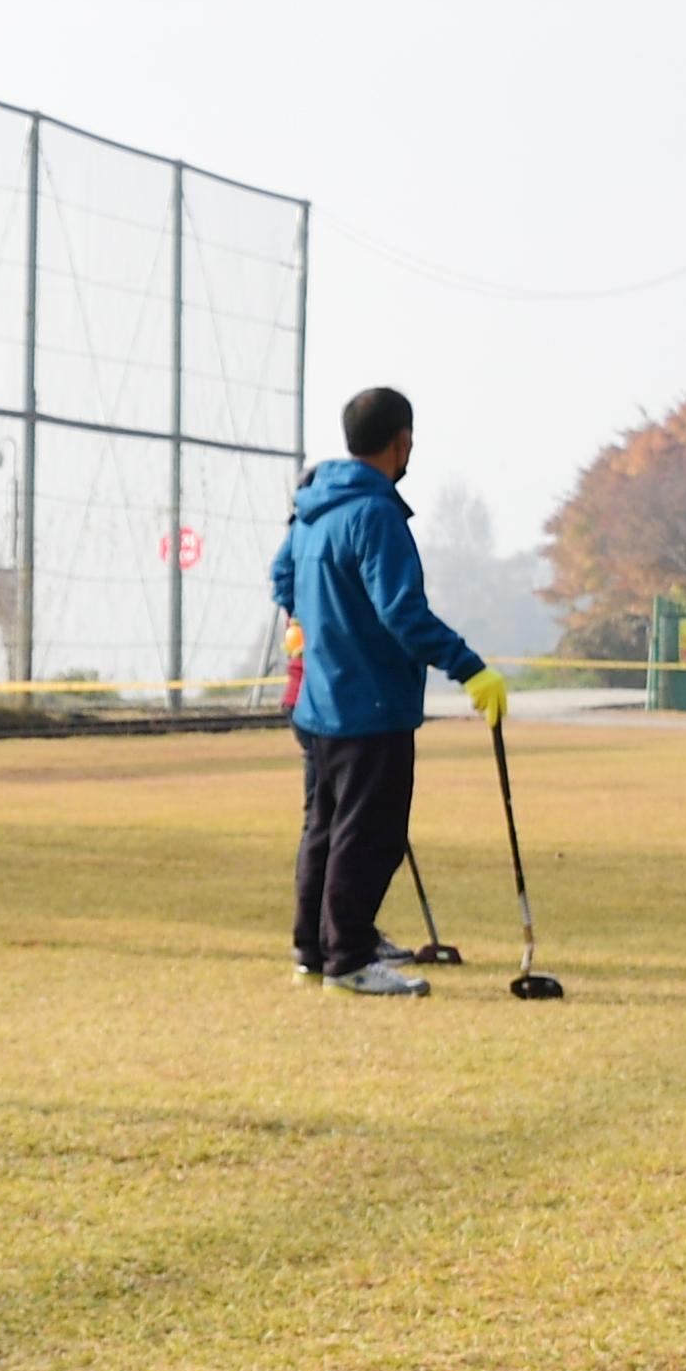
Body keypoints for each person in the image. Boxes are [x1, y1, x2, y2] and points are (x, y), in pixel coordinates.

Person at [270, 386, 503, 995]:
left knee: (323, 830)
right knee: (370, 835)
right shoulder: (375, 513)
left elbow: (283, 577)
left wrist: (319, 623)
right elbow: (403, 613)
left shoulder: (311, 509)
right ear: (402, 442)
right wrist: (470, 667)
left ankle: (314, 948)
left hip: (320, 700)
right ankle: (347, 955)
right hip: (371, 703)